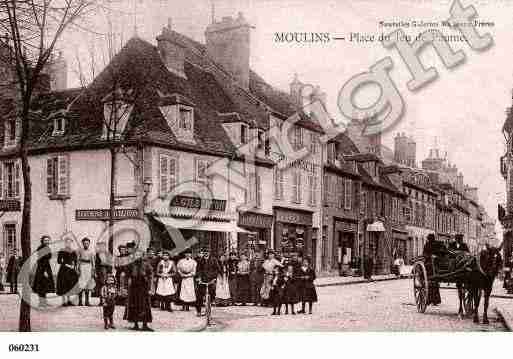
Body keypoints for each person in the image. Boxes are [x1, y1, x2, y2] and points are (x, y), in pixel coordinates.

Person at [124, 245, 154, 331]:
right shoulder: (131, 263)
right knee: (134, 305)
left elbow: (151, 274)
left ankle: (145, 324)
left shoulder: (146, 263)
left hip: (144, 286)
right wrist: (126, 285)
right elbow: (127, 274)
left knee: (145, 305)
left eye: (139, 254)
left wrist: (150, 286)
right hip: (134, 286)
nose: (138, 255)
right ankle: (135, 324)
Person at [195, 248, 220, 317]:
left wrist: (214, 278)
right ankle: (199, 311)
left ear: (209, 252)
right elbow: (198, 270)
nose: (206, 253)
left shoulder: (214, 260)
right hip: (202, 280)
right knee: (199, 295)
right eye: (205, 252)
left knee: (212, 291)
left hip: (211, 280)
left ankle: (211, 301)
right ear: (203, 253)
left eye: (207, 252)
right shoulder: (200, 260)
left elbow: (217, 269)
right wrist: (199, 278)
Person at [32, 236, 55, 307]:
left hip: (46, 267)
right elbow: (40, 260)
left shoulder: (47, 248)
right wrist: (44, 271)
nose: (47, 241)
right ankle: (41, 302)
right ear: (42, 241)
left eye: (48, 240)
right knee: (41, 286)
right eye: (45, 240)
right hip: (42, 268)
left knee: (45, 286)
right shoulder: (40, 248)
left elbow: (49, 257)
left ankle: (44, 301)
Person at [422, 233, 444, 305]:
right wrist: (430, 256)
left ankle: (436, 300)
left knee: (435, 284)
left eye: (430, 238)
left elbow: (442, 252)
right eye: (430, 238)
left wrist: (437, 256)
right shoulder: (426, 245)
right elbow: (424, 254)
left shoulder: (437, 244)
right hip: (429, 264)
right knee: (430, 283)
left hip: (438, 262)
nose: (430, 240)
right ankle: (429, 300)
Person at [56, 237, 79, 306]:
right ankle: (64, 301)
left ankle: (69, 300)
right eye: (67, 242)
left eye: (70, 242)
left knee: (69, 285)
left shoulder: (73, 251)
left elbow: (75, 260)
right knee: (63, 285)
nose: (68, 243)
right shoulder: (62, 250)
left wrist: (74, 266)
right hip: (63, 269)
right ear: (65, 243)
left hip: (71, 270)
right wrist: (66, 264)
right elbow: (59, 261)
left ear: (71, 243)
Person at [78, 237, 96, 306]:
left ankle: (87, 301)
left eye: (87, 243)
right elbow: (78, 260)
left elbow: (93, 262)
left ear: (89, 244)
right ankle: (80, 302)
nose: (86, 244)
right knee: (81, 284)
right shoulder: (80, 251)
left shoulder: (91, 252)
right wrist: (78, 269)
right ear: (82, 244)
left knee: (88, 285)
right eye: (84, 243)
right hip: (82, 268)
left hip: (88, 268)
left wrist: (93, 270)